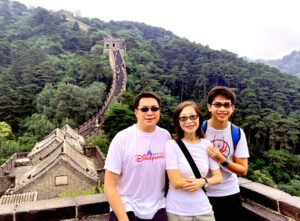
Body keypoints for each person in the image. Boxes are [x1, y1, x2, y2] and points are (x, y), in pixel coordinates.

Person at [104, 92, 171, 221]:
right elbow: (109, 185)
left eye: (154, 108)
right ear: (136, 112)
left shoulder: (165, 136)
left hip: (159, 209)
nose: (150, 113)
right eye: (144, 109)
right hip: (127, 208)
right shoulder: (122, 139)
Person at [165, 101, 223, 221]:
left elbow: (218, 177)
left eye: (193, 116)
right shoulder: (171, 145)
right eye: (183, 118)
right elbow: (176, 182)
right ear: (178, 121)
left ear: (199, 118)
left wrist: (203, 182)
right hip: (177, 211)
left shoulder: (207, 144)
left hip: (203, 209)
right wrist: (198, 182)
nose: (189, 121)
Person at [204, 86, 249, 221]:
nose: (222, 109)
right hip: (203, 193)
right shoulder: (199, 130)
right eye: (217, 104)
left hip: (229, 193)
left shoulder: (237, 133)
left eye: (226, 105)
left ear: (232, 108)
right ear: (209, 107)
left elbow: (243, 170)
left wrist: (221, 159)